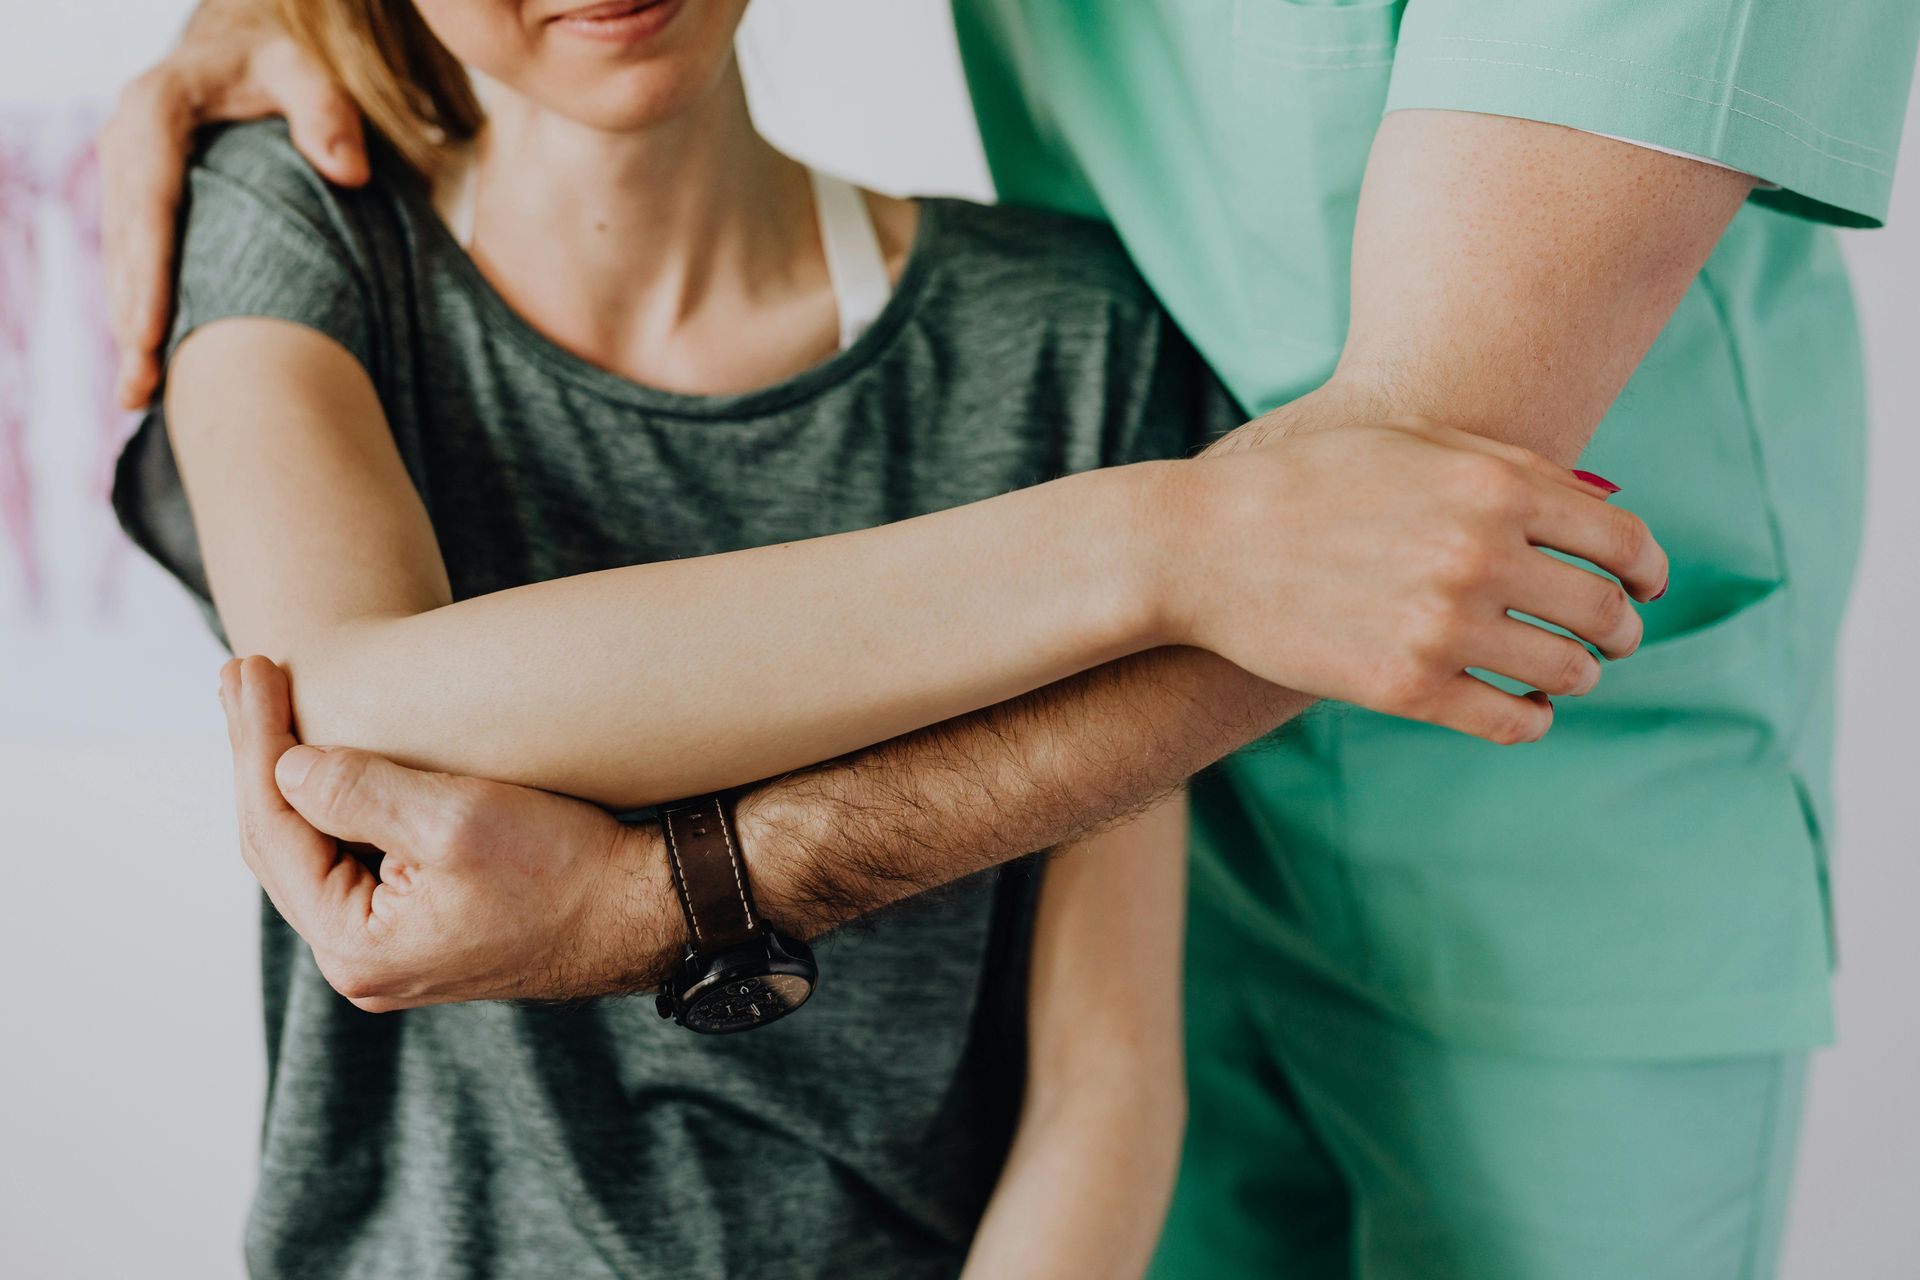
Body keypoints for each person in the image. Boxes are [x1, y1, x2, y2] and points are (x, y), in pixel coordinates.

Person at [109, 1, 1658, 1277]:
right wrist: (1167, 543)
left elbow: (1101, 1088)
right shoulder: (299, 216)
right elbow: (364, 709)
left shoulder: (1072, 334)